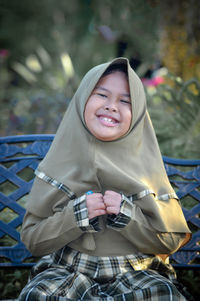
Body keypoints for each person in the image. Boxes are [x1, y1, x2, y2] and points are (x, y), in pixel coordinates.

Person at [18, 57, 191, 301]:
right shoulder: (57, 164)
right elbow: (34, 241)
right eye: (101, 95)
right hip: (68, 271)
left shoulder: (146, 168)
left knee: (163, 295)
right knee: (38, 295)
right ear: (82, 100)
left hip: (134, 272)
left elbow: (170, 241)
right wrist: (75, 216)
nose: (111, 106)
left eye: (125, 101)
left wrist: (128, 215)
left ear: (139, 113)